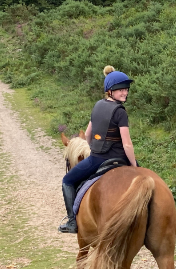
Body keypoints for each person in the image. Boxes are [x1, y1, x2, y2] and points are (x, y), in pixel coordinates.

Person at [58, 66, 138, 233]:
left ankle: (72, 222)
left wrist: (93, 150)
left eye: (126, 89)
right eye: (120, 90)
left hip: (98, 159)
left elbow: (87, 135)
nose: (124, 93)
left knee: (67, 181)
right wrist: (135, 166)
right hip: (121, 158)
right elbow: (127, 145)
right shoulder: (120, 112)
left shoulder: (97, 106)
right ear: (110, 91)